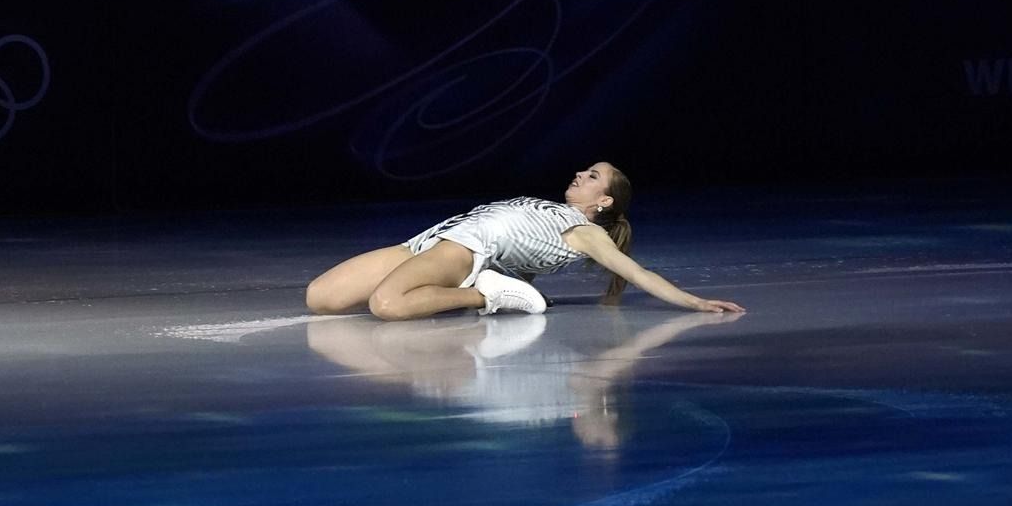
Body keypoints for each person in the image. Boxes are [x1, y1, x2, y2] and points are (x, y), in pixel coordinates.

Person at [305, 162, 746, 320]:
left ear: (604, 201)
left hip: (464, 250)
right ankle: (490, 289)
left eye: (593, 176)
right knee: (320, 298)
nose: (580, 174)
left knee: (386, 305)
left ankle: (487, 297)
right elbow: (525, 254)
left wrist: (695, 302)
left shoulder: (588, 233)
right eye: (585, 170)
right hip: (429, 239)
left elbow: (637, 273)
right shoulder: (548, 210)